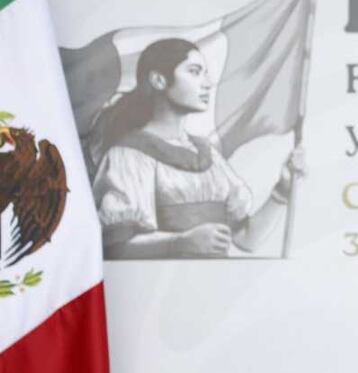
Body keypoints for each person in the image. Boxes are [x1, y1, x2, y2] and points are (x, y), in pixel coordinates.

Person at [90, 38, 304, 258]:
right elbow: (115, 248)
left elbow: (246, 239)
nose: (207, 83)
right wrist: (180, 242)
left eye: (205, 73)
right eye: (194, 71)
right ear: (158, 80)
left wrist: (282, 190)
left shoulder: (208, 154)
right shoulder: (128, 155)